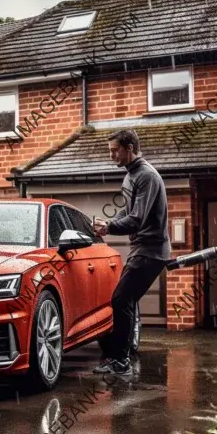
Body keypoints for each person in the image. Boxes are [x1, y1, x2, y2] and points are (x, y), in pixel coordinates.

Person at [92, 130, 171, 375]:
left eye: (115, 150)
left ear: (129, 147)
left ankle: (120, 361)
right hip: (142, 249)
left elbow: (137, 218)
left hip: (151, 250)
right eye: (110, 151)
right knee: (124, 299)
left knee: (121, 299)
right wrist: (109, 223)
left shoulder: (146, 175)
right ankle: (116, 358)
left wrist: (111, 226)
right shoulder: (131, 176)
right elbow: (127, 214)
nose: (111, 155)